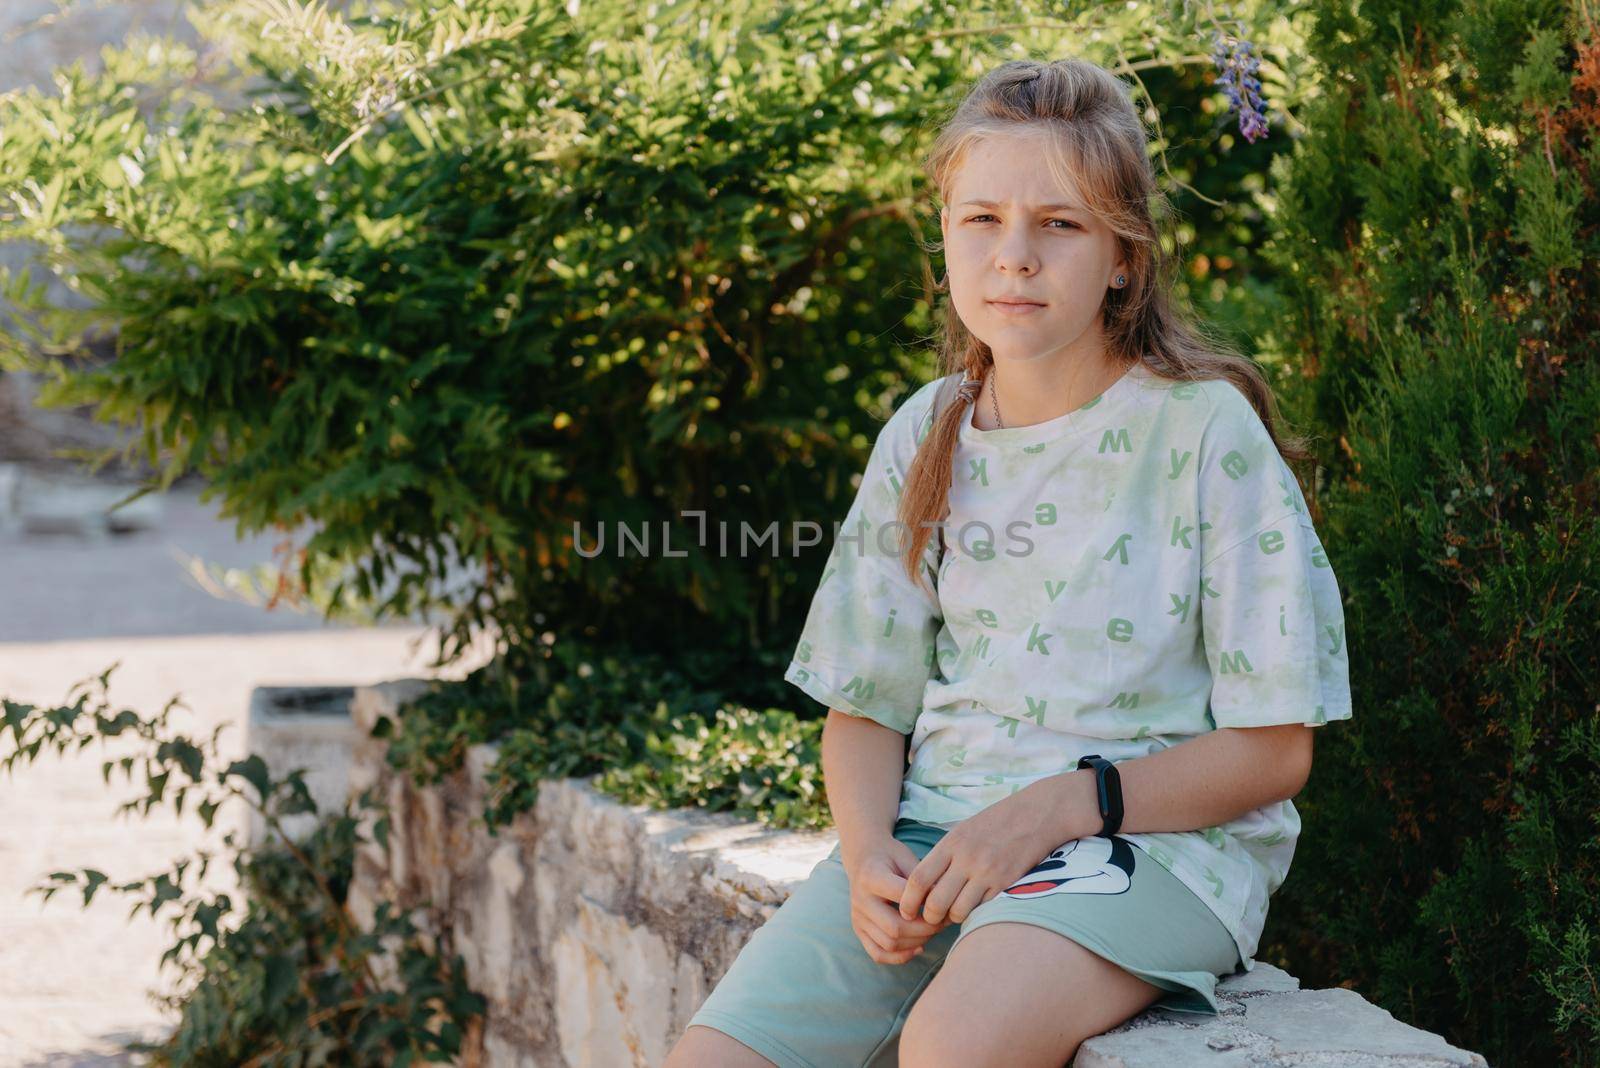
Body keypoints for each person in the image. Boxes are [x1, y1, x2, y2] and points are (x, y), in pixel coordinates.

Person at [663, 54, 1352, 1068]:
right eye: (979, 218)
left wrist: (1050, 812)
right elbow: (865, 706)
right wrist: (865, 861)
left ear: (1124, 256)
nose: (1013, 257)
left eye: (1059, 224)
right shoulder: (925, 430)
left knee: (955, 1043)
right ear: (944, 234)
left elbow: (1272, 752)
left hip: (1145, 854)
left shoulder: (1203, 432)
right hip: (939, 846)